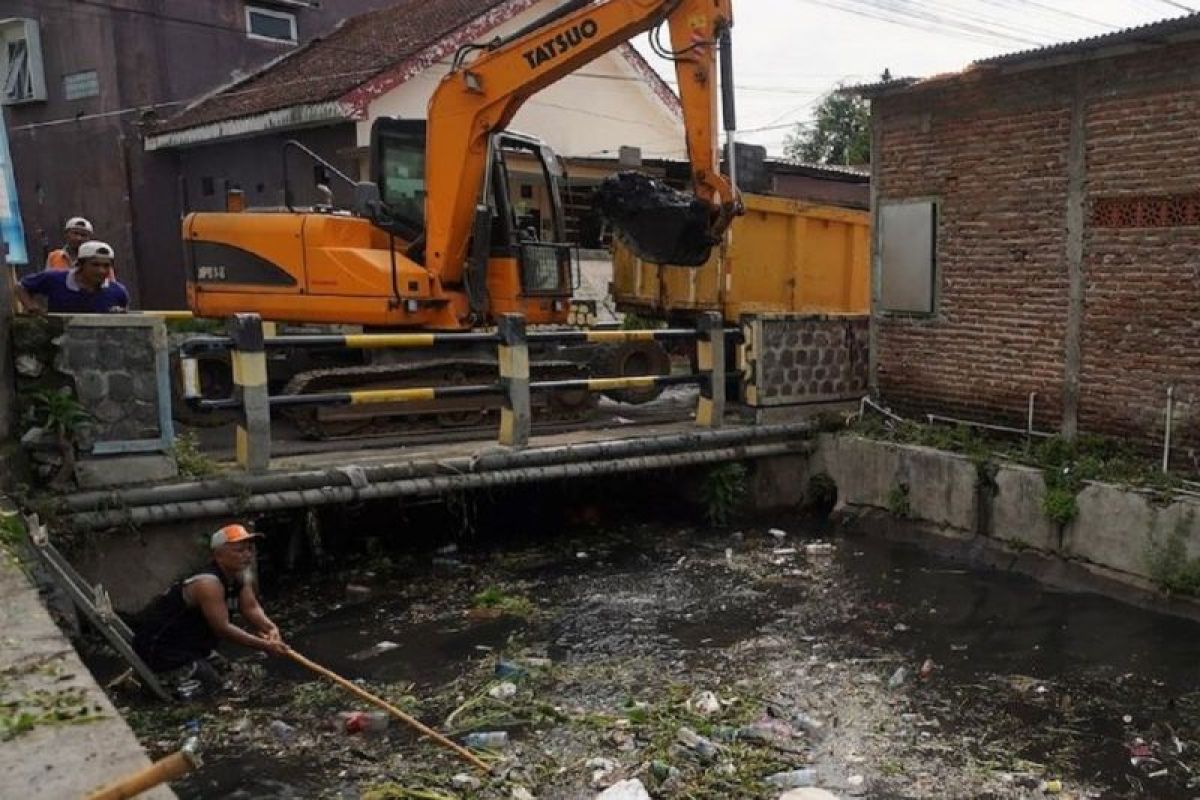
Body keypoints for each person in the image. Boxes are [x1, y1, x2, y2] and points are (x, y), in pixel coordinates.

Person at [132, 524, 288, 696]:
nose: (247, 555)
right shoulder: (208, 584)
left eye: (249, 549)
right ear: (219, 554)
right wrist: (264, 645)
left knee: (234, 677)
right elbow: (222, 628)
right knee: (208, 687)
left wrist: (271, 628)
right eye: (239, 550)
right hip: (165, 649)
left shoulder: (239, 575)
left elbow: (251, 607)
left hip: (194, 647)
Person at [16, 240, 129, 314]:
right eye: (95, 265)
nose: (101, 270)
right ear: (80, 265)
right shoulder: (55, 279)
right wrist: (31, 307)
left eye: (106, 266)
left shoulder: (117, 292)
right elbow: (22, 286)